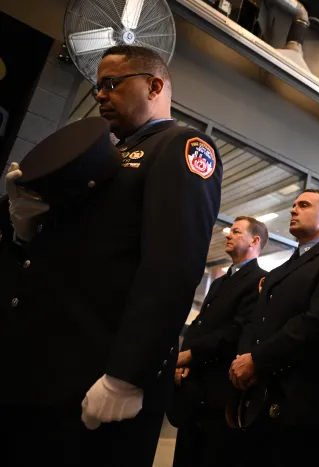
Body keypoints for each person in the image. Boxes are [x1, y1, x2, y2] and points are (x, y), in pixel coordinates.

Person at [0, 45, 222, 466]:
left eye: (111, 84)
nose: (99, 94)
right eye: (97, 86)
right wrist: (26, 230)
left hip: (97, 375)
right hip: (46, 367)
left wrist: (127, 375)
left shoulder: (181, 146)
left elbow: (172, 267)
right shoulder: (103, 157)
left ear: (154, 85)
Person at [229, 189, 319, 467]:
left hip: (304, 397)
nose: (293, 210)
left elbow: (317, 323)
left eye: (303, 205)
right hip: (263, 391)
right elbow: (256, 322)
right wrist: (244, 358)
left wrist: (257, 360)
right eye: (293, 205)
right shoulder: (278, 271)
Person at [170, 217, 267, 467]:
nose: (228, 235)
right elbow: (200, 324)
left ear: (255, 240)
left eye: (236, 231)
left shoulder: (261, 282)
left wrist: (191, 355)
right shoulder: (221, 282)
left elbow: (235, 332)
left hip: (220, 392)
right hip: (194, 390)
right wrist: (185, 357)